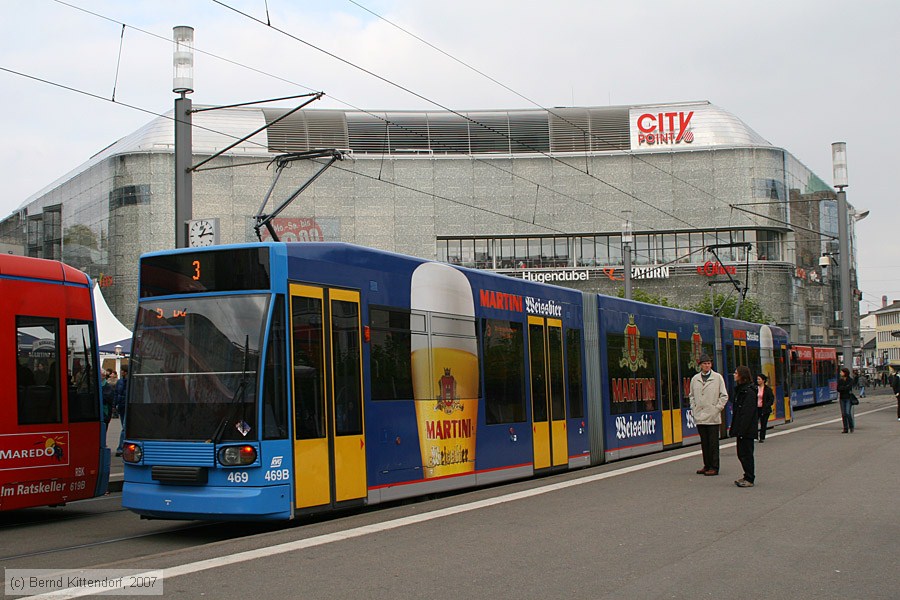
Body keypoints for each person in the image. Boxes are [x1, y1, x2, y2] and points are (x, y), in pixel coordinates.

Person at [688, 353, 729, 476]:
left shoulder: (717, 378)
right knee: (704, 442)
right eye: (705, 363)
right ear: (700, 365)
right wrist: (694, 409)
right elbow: (691, 396)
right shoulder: (695, 379)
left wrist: (716, 409)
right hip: (700, 416)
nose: (707, 365)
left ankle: (714, 466)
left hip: (712, 416)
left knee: (713, 443)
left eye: (709, 363)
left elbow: (724, 396)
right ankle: (706, 465)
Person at [730, 365, 758, 488]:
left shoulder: (749, 392)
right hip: (742, 429)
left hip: (746, 430)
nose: (734, 375)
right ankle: (747, 475)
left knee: (746, 453)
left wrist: (741, 430)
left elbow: (747, 413)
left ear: (742, 376)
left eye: (736, 373)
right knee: (741, 453)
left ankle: (749, 478)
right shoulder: (741, 390)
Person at [756, 373, 775, 443]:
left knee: (763, 424)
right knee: (754, 423)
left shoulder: (768, 389)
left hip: (765, 409)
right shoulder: (755, 388)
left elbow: (771, 399)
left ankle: (762, 437)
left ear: (763, 380)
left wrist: (766, 405)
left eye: (759, 379)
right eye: (757, 379)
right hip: (757, 409)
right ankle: (755, 435)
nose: (757, 380)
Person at [114, 366, 129, 456]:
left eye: (122, 371)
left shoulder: (129, 381)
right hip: (121, 406)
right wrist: (114, 405)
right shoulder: (120, 381)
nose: (121, 372)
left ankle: (120, 448)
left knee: (124, 427)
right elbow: (116, 393)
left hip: (127, 405)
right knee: (124, 427)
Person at [837, 367, 855, 433]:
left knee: (847, 413)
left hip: (848, 398)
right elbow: (838, 389)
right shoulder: (840, 380)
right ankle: (845, 428)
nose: (840, 373)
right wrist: (845, 388)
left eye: (841, 372)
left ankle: (851, 426)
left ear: (845, 373)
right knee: (843, 414)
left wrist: (843, 388)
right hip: (842, 398)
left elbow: (849, 387)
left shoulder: (850, 380)